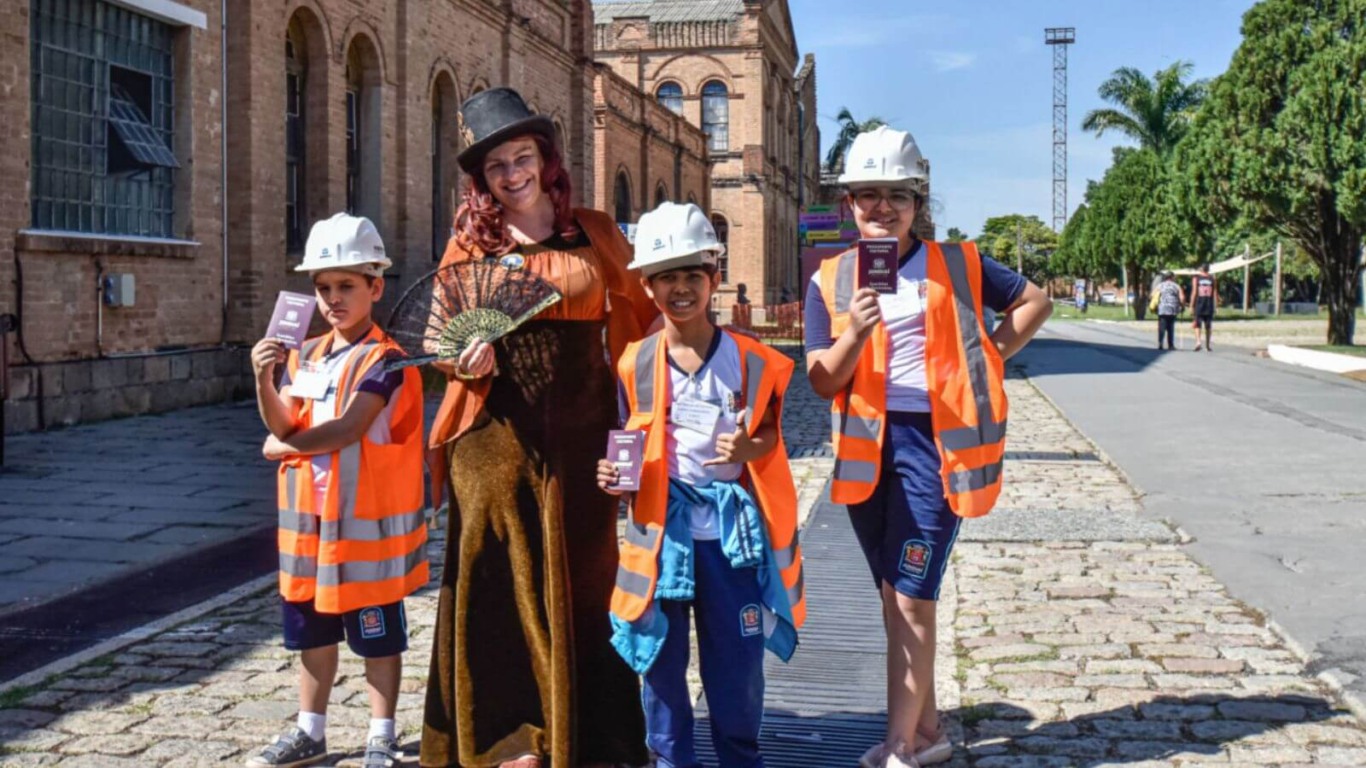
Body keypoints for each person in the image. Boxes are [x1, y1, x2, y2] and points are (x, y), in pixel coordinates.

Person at [420, 87, 656, 768]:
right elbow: (438, 338)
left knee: (589, 579)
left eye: (521, 157)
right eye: (496, 166)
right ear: (482, 179)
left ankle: (592, 738)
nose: (512, 173)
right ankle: (511, 740)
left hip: (584, 435)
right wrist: (462, 358)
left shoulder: (597, 232)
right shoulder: (471, 244)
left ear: (545, 158)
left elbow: (640, 336)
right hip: (494, 437)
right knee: (499, 583)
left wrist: (637, 434)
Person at [803, 127, 1052, 768]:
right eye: (868, 195)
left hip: (935, 448)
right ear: (849, 203)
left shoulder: (957, 264)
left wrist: (989, 355)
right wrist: (855, 332)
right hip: (868, 451)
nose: (882, 207)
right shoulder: (830, 279)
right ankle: (929, 730)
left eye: (898, 195)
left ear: (918, 202)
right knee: (894, 596)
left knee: (914, 597)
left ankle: (898, 744)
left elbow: (1034, 301)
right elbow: (822, 380)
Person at [601, 202, 805, 768]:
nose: (681, 288)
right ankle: (671, 760)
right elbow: (628, 438)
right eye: (667, 276)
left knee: (736, 668)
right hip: (662, 538)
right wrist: (615, 478)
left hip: (729, 541)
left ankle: (740, 758)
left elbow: (770, 434)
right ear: (648, 286)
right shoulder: (635, 362)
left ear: (714, 278)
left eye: (693, 274)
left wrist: (747, 450)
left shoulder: (753, 361)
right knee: (662, 668)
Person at [249, 213, 428, 768]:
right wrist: (262, 379)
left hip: (363, 529)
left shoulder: (388, 359)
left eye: (346, 286)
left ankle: (382, 734)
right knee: (310, 631)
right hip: (308, 524)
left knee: (377, 635)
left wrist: (286, 446)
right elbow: (282, 421)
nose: (332, 299)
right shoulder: (305, 354)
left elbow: (349, 427)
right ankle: (311, 730)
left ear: (376, 287)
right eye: (323, 287)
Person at [1154, 270, 1186, 350]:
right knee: (1170, 327)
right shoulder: (1176, 286)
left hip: (1162, 308)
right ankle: (1170, 345)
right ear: (1172, 277)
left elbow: (1152, 295)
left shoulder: (1160, 285)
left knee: (1162, 327)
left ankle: (1160, 343)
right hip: (1172, 309)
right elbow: (1182, 298)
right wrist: (1182, 306)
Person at [1191, 263, 1217, 351]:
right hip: (1209, 304)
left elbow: (1194, 292)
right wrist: (1216, 305)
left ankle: (1198, 341)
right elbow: (1215, 292)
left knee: (1197, 324)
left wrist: (1191, 305)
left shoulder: (1196, 278)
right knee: (1208, 325)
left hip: (1199, 304)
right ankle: (1207, 345)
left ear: (1201, 269)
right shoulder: (1212, 278)